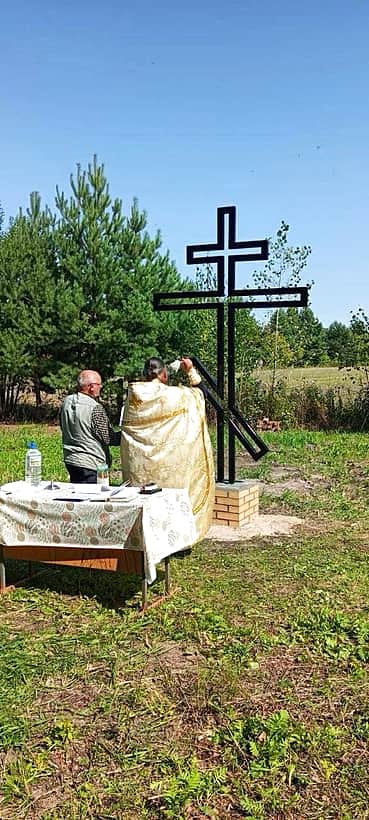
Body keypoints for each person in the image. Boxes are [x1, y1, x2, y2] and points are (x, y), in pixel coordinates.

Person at [121, 356, 215, 540]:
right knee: (172, 502)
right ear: (164, 374)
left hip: (142, 466)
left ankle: (145, 536)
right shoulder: (176, 396)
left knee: (146, 501)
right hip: (171, 467)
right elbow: (201, 394)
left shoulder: (132, 396)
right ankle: (177, 539)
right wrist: (189, 371)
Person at [60, 369, 121, 483]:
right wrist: (128, 434)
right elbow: (108, 438)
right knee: (91, 498)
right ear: (91, 387)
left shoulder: (67, 402)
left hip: (70, 460)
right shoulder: (95, 408)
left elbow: (63, 426)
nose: (100, 387)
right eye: (99, 385)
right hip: (91, 464)